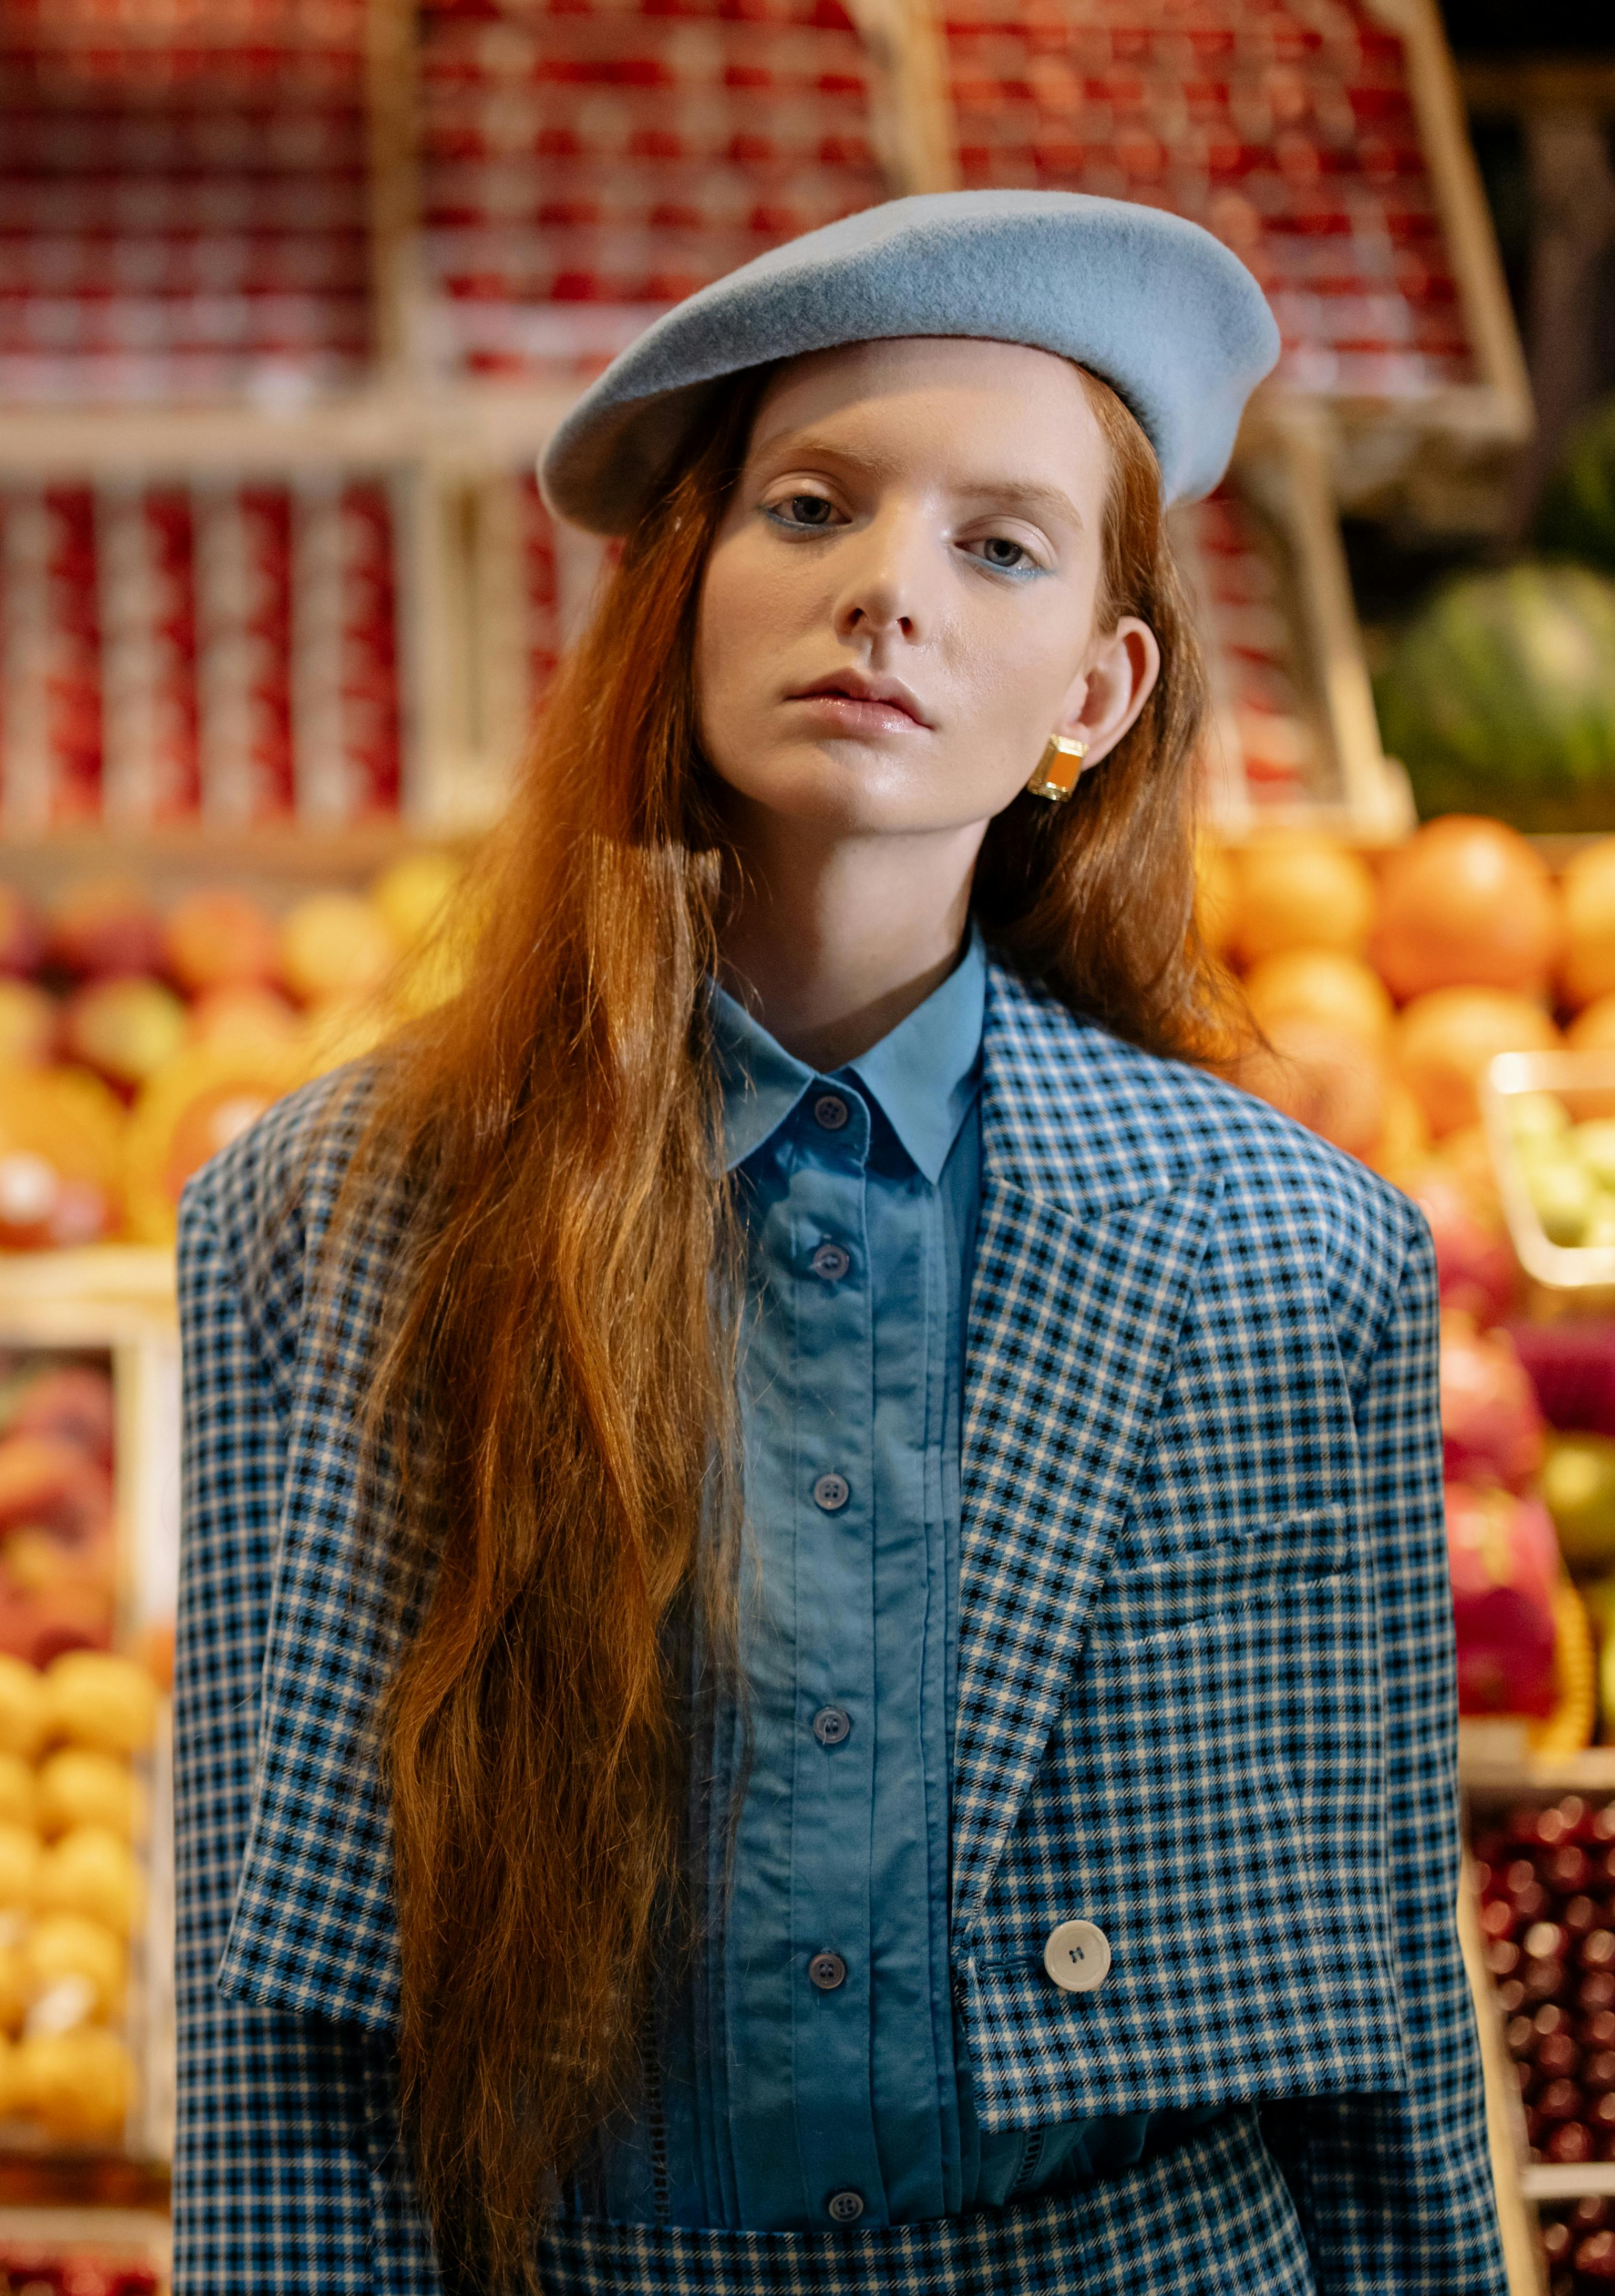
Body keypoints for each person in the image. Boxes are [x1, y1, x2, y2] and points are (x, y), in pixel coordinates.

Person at [173, 192, 1501, 2293]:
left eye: (1000, 546)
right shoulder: (333, 1214)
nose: (889, 591)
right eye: (810, 506)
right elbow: (282, 2041)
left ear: (1096, 686)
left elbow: (1385, 2018)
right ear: (684, 587)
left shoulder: (1294, 1256)